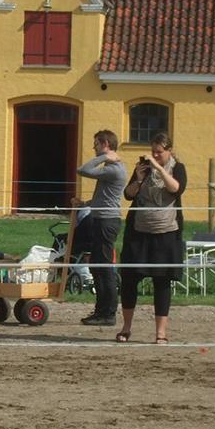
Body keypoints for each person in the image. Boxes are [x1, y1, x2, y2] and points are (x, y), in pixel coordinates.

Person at [117, 131, 187, 344]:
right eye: (153, 152)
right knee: (129, 280)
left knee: (162, 282)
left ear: (169, 151)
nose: (155, 156)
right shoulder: (144, 169)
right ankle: (126, 328)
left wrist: (158, 169)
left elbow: (176, 188)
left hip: (166, 233)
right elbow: (128, 194)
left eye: (159, 153)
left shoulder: (177, 168)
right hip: (138, 232)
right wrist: (138, 178)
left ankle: (160, 333)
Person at [72, 129, 128, 326]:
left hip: (107, 222)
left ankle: (109, 313)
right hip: (100, 219)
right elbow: (103, 197)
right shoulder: (109, 168)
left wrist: (104, 156)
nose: (93, 147)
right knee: (96, 266)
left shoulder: (114, 169)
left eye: (96, 143)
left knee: (104, 268)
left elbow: (83, 170)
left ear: (105, 144)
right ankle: (100, 311)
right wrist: (85, 204)